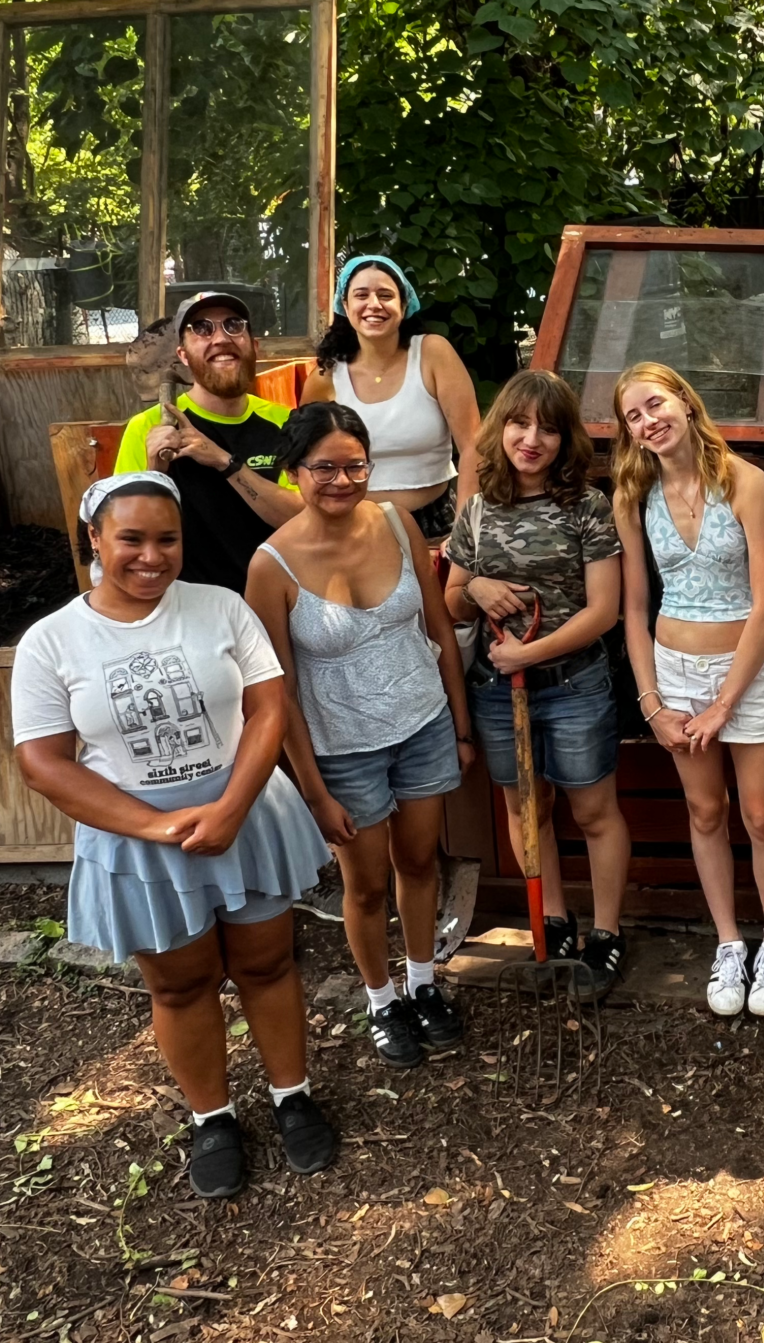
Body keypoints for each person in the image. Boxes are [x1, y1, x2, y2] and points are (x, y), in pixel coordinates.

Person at [11, 472, 336, 1200]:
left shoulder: (219, 608)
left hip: (245, 812)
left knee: (268, 963)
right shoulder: (52, 641)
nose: (151, 556)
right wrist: (157, 824)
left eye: (167, 539)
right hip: (140, 839)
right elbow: (42, 762)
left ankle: (293, 1095)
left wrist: (229, 808)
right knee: (183, 982)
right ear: (95, 539)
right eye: (131, 539)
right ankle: (212, 1117)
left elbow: (267, 708)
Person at [245, 402, 475, 1070]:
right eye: (325, 468)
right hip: (343, 749)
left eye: (356, 466)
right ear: (293, 472)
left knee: (421, 862)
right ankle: (382, 1000)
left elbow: (438, 628)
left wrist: (459, 726)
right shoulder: (272, 567)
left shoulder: (398, 523)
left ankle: (425, 981)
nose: (343, 481)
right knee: (367, 883)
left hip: (423, 723)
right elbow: (278, 690)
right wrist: (313, 791)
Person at [612, 363, 764, 1018]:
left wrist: (726, 702)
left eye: (654, 403)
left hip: (748, 673)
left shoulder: (743, 482)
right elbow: (634, 610)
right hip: (676, 675)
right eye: (633, 415)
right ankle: (729, 941)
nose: (647, 420)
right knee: (705, 813)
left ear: (686, 403)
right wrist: (652, 702)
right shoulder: (634, 494)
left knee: (761, 815)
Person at [442, 370, 633, 995]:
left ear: (565, 439)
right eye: (520, 424)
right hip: (498, 691)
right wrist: (474, 586)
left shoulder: (587, 507)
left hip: (574, 683)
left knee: (592, 808)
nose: (531, 439)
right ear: (501, 429)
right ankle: (550, 920)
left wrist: (533, 654)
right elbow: (451, 600)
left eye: (548, 429)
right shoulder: (476, 509)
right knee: (528, 807)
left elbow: (603, 610)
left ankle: (605, 933)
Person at [117, 291, 300, 591]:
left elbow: (302, 518)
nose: (220, 338)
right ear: (183, 355)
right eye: (201, 328)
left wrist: (223, 461)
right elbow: (126, 537)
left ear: (254, 347)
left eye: (233, 325)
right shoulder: (147, 428)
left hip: (277, 600)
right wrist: (155, 473)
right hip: (190, 609)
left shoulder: (286, 422)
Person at [302, 255, 483, 540]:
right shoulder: (326, 377)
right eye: (361, 295)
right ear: (345, 306)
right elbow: (306, 462)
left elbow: (474, 445)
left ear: (404, 304)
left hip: (436, 526)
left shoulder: (433, 354)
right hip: (351, 528)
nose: (374, 304)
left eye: (385, 295)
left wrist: (465, 525)